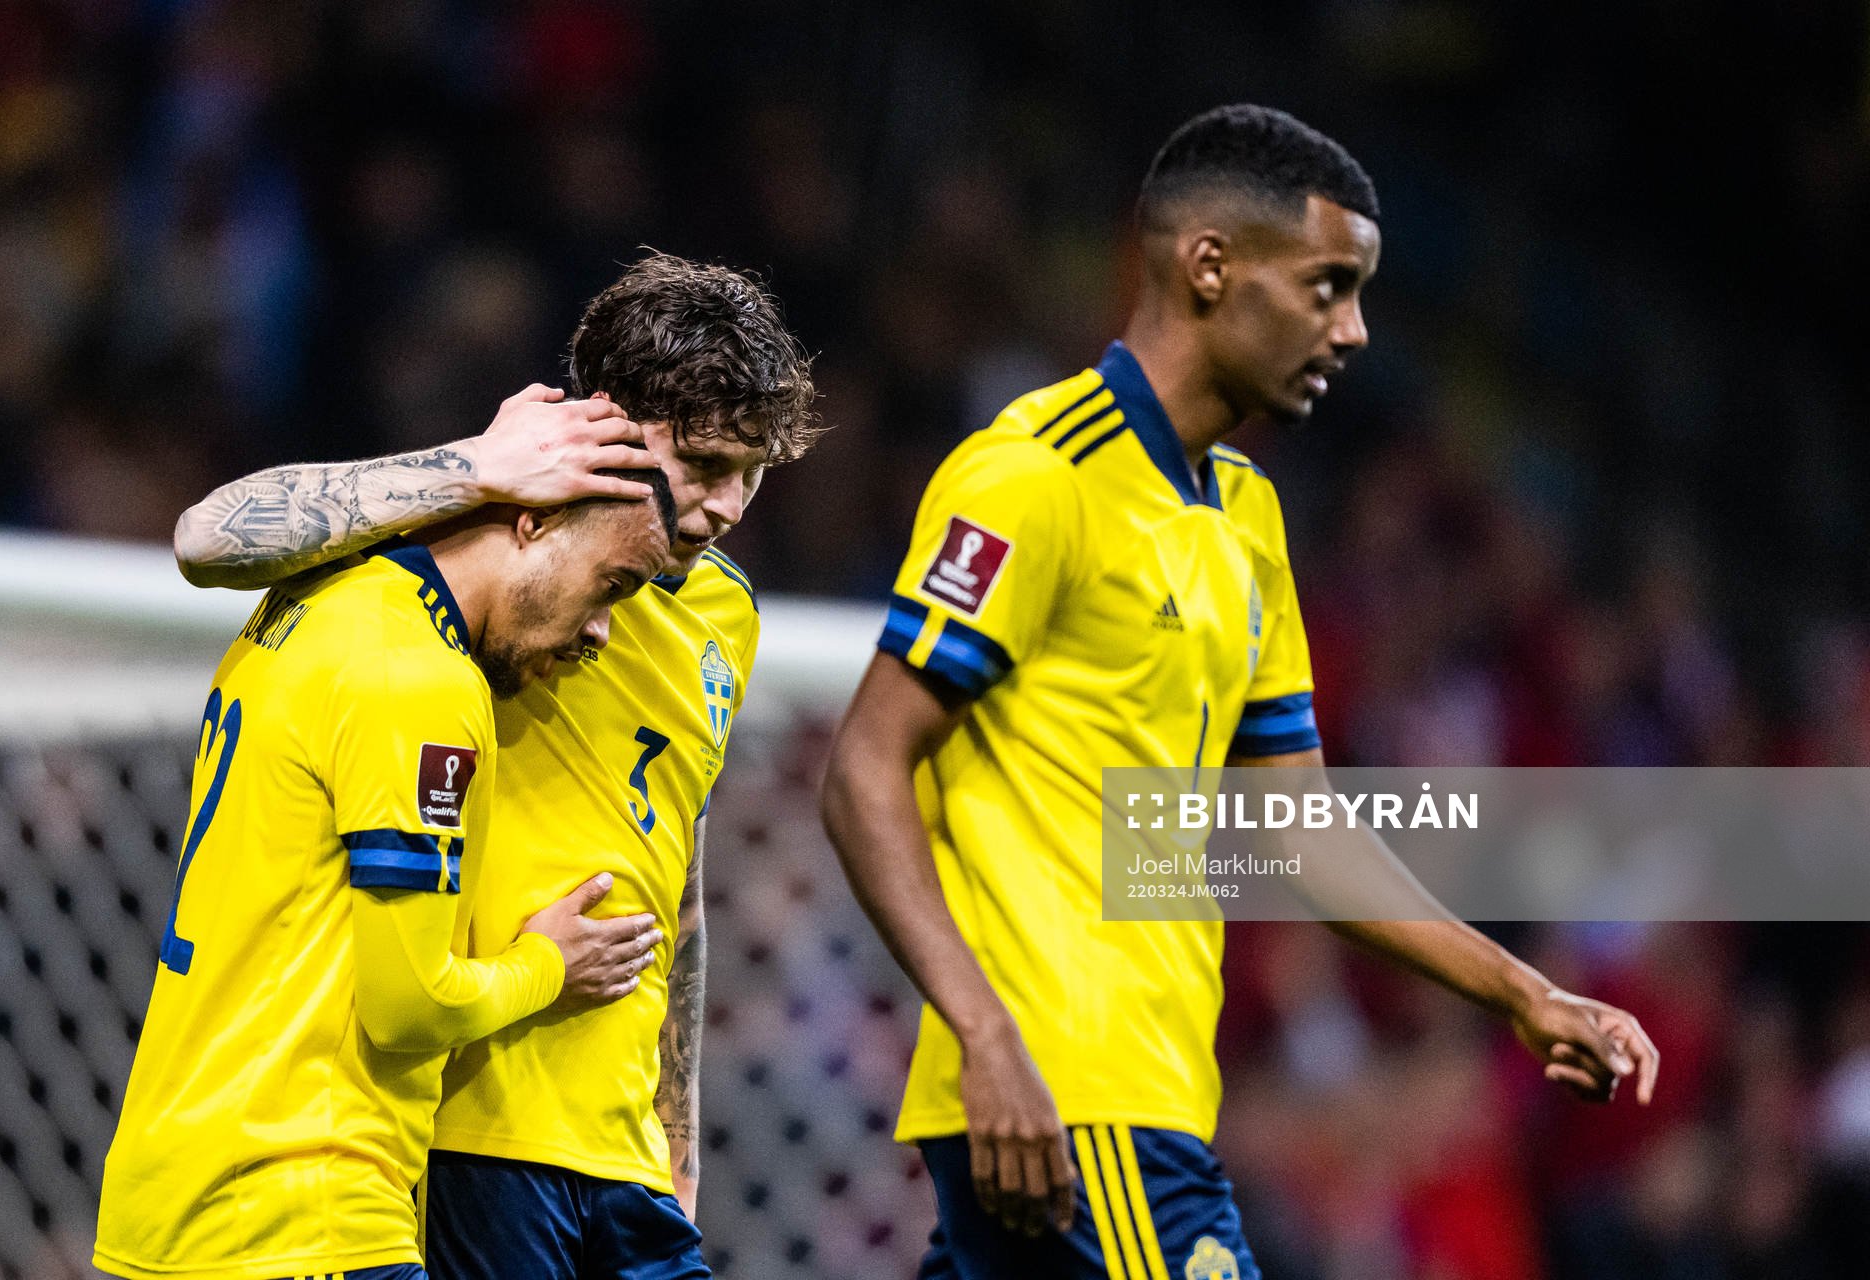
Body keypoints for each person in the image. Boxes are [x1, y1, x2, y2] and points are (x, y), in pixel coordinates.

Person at [819, 103, 1661, 1280]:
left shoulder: (1247, 519)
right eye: (1328, 286)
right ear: (1210, 266)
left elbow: (1301, 827)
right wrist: (985, 1030)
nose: (1356, 330)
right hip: (1070, 1089)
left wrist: (1520, 993)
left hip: (1145, 1091)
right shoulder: (1035, 477)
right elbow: (865, 765)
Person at [171, 252, 821, 1279]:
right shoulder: (475, 539)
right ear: (609, 421)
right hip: (471, 1133)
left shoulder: (724, 613)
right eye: (705, 467)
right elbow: (207, 536)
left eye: (752, 474)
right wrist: (475, 464)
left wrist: (677, 1139)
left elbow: (676, 870)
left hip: (626, 1156)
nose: (731, 504)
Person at [96, 466, 680, 1280]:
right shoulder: (425, 684)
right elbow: (409, 1005)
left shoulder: (313, 600)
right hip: (301, 1207)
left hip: (170, 1187)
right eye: (610, 585)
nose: (603, 632)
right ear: (531, 524)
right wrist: (549, 964)